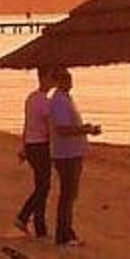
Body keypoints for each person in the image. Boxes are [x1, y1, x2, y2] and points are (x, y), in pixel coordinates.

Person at [44, 67, 101, 246]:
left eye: (70, 78)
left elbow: (67, 126)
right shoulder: (59, 101)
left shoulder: (65, 99)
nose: (70, 82)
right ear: (59, 81)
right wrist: (85, 130)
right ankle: (64, 233)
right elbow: (62, 129)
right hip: (67, 154)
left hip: (71, 152)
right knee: (68, 193)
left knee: (70, 193)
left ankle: (66, 231)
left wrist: (85, 129)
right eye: (66, 79)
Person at [14, 67, 56, 237]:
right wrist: (53, 148)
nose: (53, 81)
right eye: (51, 77)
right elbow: (49, 127)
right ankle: (23, 216)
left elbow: (27, 124)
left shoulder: (31, 98)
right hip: (40, 146)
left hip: (32, 145)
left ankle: (40, 227)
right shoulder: (44, 101)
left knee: (41, 185)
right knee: (44, 186)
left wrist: (24, 147)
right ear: (43, 78)